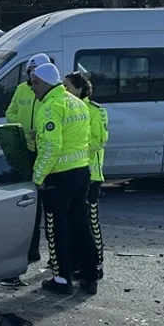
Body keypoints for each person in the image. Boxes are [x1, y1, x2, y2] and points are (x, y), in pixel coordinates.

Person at [31, 62, 99, 296]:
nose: (32, 88)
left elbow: (51, 145)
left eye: (34, 83)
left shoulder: (51, 106)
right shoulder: (77, 103)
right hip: (81, 171)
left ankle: (61, 279)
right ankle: (90, 276)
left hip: (58, 176)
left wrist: (38, 177)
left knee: (55, 227)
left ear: (43, 83)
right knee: (80, 225)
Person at [7, 53, 54, 266]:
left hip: (46, 150)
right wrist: (25, 131)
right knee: (31, 205)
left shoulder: (50, 93)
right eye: (30, 72)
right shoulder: (22, 90)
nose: (32, 76)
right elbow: (11, 113)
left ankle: (54, 254)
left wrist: (41, 132)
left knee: (51, 207)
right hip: (27, 149)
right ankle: (32, 249)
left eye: (36, 72)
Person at [64, 71, 108, 285]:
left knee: (91, 222)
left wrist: (73, 148)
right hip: (74, 174)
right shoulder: (67, 108)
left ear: (80, 89)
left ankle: (96, 263)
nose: (65, 91)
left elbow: (98, 141)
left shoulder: (94, 111)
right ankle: (77, 262)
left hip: (90, 174)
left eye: (68, 87)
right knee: (76, 223)